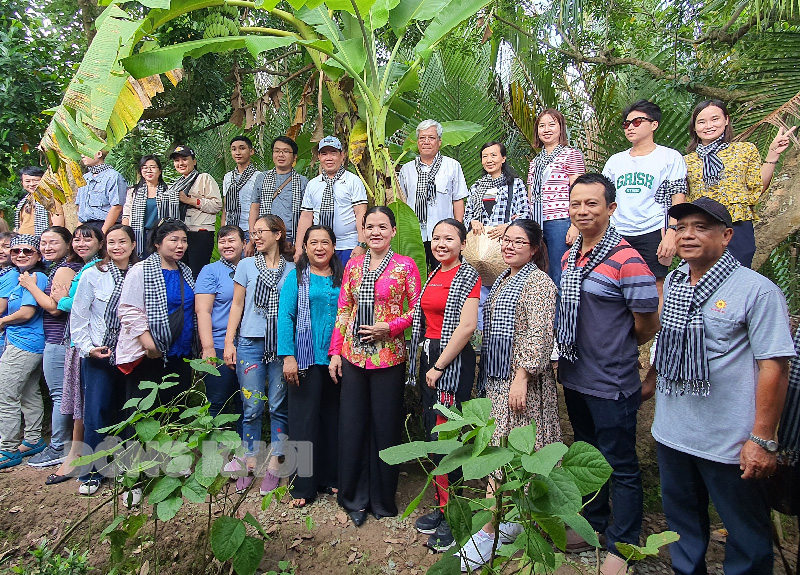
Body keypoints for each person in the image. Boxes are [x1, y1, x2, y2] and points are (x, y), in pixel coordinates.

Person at [650, 197, 795, 575]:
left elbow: (775, 367)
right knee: (682, 531)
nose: (688, 235)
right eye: (681, 228)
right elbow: (665, 344)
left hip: (730, 443)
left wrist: (762, 439)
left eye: (701, 227)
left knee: (747, 538)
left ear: (727, 235)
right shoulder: (676, 284)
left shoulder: (756, 291)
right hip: (673, 434)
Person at [555, 173, 660, 575]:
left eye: (592, 204)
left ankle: (624, 542)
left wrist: (614, 346)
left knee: (620, 462)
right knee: (587, 454)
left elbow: (647, 322)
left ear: (611, 208)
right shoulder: (570, 256)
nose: (582, 211)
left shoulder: (627, 259)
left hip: (612, 380)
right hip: (575, 373)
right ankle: (592, 524)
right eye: (576, 203)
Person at [455, 219, 560, 570]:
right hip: (498, 379)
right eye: (507, 241)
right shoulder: (502, 279)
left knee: (523, 448)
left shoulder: (539, 282)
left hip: (521, 383)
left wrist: (522, 377)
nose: (510, 246)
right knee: (500, 449)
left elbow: (540, 335)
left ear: (534, 249)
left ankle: (502, 527)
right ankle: (497, 525)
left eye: (519, 242)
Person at [329, 206, 421, 527]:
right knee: (353, 425)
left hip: (388, 357)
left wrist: (390, 327)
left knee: (385, 426)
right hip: (353, 356)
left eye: (383, 226)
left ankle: (382, 498)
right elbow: (344, 310)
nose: (376, 232)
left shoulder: (405, 266)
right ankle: (354, 496)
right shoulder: (353, 266)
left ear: (394, 231)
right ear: (363, 231)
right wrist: (336, 353)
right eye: (370, 227)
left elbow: (417, 310)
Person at [408, 218, 480, 552]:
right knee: (433, 435)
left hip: (450, 362)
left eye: (448, 238)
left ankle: (454, 517)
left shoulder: (467, 275)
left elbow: (466, 327)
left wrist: (438, 366)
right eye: (436, 238)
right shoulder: (435, 273)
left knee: (446, 438)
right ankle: (440, 509)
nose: (440, 244)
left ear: (462, 244)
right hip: (430, 356)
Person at [224, 214, 295, 494]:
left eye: (261, 231)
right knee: (251, 407)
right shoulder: (244, 266)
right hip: (250, 343)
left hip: (280, 345)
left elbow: (294, 312)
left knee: (278, 406)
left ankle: (277, 463)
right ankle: (249, 461)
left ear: (278, 234)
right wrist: (230, 342)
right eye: (253, 232)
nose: (256, 236)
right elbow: (237, 306)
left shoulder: (292, 270)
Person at [684, 99, 796, 268]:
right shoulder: (684, 161)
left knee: (738, 278)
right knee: (702, 278)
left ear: (726, 120)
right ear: (694, 127)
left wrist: (773, 155)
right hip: (701, 227)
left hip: (738, 225)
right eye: (701, 122)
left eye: (715, 119)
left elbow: (757, 188)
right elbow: (680, 198)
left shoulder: (744, 150)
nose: (708, 125)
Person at [116, 220, 196, 453]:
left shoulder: (186, 272)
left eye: (183, 240)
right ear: (157, 244)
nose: (180, 245)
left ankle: (168, 468)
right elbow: (129, 309)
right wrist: (150, 345)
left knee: (174, 409)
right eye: (174, 240)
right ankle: (136, 475)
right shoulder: (141, 270)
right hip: (149, 355)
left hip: (179, 354)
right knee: (142, 414)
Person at [70, 225, 139, 493]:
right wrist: (88, 348)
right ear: (104, 246)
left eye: (123, 242)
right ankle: (93, 471)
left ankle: (127, 469)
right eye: (111, 242)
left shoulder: (142, 273)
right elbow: (79, 316)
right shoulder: (92, 275)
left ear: (133, 244)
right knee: (96, 411)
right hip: (99, 352)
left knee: (129, 412)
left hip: (131, 354)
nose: (117, 247)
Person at [278, 224, 343, 508]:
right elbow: (285, 317)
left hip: (337, 360)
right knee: (303, 423)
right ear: (305, 247)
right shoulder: (297, 277)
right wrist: (288, 356)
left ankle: (329, 477)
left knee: (332, 420)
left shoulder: (343, 278)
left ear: (333, 246)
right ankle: (302, 486)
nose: (319, 248)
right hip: (304, 361)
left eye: (325, 242)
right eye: (313, 242)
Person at [602, 100, 686, 301]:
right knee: (614, 284)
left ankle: (654, 333)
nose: (630, 127)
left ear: (654, 124)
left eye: (637, 122)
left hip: (654, 229)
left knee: (655, 285)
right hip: (618, 231)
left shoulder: (670, 157)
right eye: (626, 123)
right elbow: (601, 196)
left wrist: (672, 232)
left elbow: (678, 196)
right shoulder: (615, 161)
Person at [17, 227, 83, 469]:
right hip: (57, 339)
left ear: (68, 245)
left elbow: (55, 308)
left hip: (59, 339)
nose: (46, 247)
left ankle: (58, 446)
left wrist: (30, 286)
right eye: (43, 242)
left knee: (60, 395)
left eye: (53, 242)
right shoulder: (58, 268)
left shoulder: (66, 269)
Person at [48, 225, 106, 487]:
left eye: (88, 238)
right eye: (77, 239)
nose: (81, 243)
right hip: (76, 342)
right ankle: (75, 454)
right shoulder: (80, 268)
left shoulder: (98, 267)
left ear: (100, 242)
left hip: (89, 343)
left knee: (84, 402)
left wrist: (62, 300)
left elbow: (88, 303)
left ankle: (77, 456)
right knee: (78, 400)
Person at [0, 235, 49, 469]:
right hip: (23, 342)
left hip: (25, 344)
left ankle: (7, 449)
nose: (20, 254)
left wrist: (2, 322)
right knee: (29, 392)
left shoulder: (36, 277)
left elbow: (27, 313)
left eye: (27, 251)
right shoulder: (21, 278)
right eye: (16, 250)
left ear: (38, 256)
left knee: (5, 393)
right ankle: (32, 439)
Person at [527, 109, 586, 292]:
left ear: (561, 128)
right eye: (542, 126)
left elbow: (579, 192)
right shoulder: (535, 162)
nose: (546, 129)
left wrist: (575, 225)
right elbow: (531, 196)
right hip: (537, 223)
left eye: (552, 124)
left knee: (560, 274)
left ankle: (561, 321)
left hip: (560, 221)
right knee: (541, 273)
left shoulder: (571, 154)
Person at [398, 120, 469, 268]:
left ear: (439, 141)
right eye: (422, 138)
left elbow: (458, 200)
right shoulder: (407, 169)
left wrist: (457, 230)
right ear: (417, 142)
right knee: (415, 275)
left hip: (444, 236)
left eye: (431, 138)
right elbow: (402, 202)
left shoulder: (452, 166)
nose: (426, 142)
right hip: (414, 235)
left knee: (446, 272)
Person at [195, 225, 244, 421]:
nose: (226, 245)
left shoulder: (251, 267)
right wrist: (207, 348)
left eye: (231, 240)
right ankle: (211, 450)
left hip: (246, 344)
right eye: (222, 241)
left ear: (244, 243)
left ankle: (243, 450)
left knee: (245, 402)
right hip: (217, 343)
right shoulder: (210, 271)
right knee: (216, 401)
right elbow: (203, 311)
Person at [295, 136, 367, 265]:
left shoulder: (353, 181)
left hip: (347, 246)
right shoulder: (313, 184)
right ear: (319, 157)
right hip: (319, 248)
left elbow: (360, 213)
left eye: (333, 153)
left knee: (347, 284)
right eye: (324, 154)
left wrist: (361, 244)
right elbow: (306, 217)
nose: (329, 158)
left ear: (342, 155)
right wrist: (299, 247)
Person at [168, 145, 223, 278]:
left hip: (200, 233)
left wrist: (190, 200)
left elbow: (217, 205)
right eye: (177, 160)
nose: (180, 163)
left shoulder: (204, 178)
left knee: (197, 275)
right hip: (181, 234)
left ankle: (200, 299)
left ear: (194, 161)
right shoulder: (176, 184)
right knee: (181, 273)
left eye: (184, 159)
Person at [250, 136, 308, 248]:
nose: (280, 155)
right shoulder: (261, 178)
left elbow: (306, 214)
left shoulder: (303, 182)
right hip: (264, 238)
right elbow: (254, 207)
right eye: (277, 151)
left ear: (294, 157)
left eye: (286, 151)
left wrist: (300, 243)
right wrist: (253, 235)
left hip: (291, 239)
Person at [122, 155, 177, 259]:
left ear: (160, 171)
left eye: (153, 167)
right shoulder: (133, 192)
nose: (149, 170)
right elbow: (126, 215)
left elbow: (174, 217)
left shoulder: (169, 192)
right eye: (145, 167)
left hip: (161, 235)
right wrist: (125, 235)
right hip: (139, 235)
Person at [222, 137, 261, 252]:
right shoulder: (228, 177)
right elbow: (226, 206)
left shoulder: (259, 177)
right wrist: (223, 231)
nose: (237, 152)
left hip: (249, 231)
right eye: (234, 149)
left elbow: (261, 207)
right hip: (230, 230)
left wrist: (254, 237)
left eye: (242, 148)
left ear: (251, 151)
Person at [75, 150, 128, 234]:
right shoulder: (84, 178)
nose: (82, 156)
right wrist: (77, 233)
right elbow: (81, 210)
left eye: (85, 152)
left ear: (99, 154)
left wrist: (102, 233)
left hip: (104, 226)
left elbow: (117, 207)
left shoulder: (113, 176)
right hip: (85, 227)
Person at [14, 166, 65, 236]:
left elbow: (58, 225)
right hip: (22, 241)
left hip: (42, 241)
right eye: (27, 181)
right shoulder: (24, 201)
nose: (31, 184)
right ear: (22, 183)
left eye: (36, 180)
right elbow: (20, 224)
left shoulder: (50, 198)